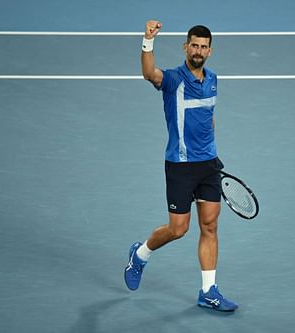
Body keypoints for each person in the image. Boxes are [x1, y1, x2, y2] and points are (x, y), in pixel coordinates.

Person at [124, 20, 238, 312]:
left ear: (209, 51)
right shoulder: (173, 79)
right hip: (180, 165)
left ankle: (208, 291)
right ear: (186, 47)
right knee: (178, 230)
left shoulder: (213, 79)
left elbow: (209, 117)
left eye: (203, 47)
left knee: (210, 226)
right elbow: (149, 72)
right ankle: (140, 254)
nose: (198, 51)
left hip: (208, 164)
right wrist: (147, 41)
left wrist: (211, 152)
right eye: (194, 45)